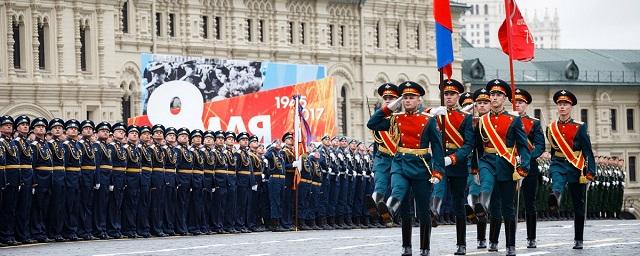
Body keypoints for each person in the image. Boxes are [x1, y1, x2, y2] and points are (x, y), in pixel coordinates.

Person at [367, 81, 445, 256]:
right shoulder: (396, 118)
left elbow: (438, 149)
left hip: (421, 166)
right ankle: (391, 216)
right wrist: (389, 107)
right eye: (405, 98)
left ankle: (425, 247)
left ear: (419, 100)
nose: (408, 101)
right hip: (400, 163)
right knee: (398, 192)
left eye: (411, 97)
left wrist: (438, 171)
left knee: (423, 210)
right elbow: (372, 123)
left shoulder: (429, 121)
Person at [473, 79, 530, 256]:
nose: (495, 97)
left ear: (505, 98)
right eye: (492, 94)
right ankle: (481, 206)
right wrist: (475, 168)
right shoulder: (482, 120)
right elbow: (476, 147)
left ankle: (510, 244)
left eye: (498, 94)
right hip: (487, 161)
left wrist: (523, 167)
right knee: (487, 187)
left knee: (506, 208)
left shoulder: (513, 120)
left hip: (507, 165)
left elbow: (523, 146)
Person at [546, 89, 596, 249]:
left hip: (576, 165)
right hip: (558, 162)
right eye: (560, 104)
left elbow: (587, 151)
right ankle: (556, 197)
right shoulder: (551, 127)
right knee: (557, 182)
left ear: (571, 107)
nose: (562, 107)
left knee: (578, 204)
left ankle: (578, 239)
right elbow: (553, 149)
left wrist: (590, 171)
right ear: (557, 107)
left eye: (565, 104)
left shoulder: (579, 127)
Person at [436, 79, 475, 255]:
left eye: (452, 94)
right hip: (437, 163)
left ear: (458, 96)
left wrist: (452, 158)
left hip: (456, 165)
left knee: (458, 205)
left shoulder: (465, 118)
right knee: (433, 200)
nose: (449, 97)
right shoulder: (434, 115)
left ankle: (461, 243)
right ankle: (425, 245)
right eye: (446, 94)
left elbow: (468, 145)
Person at [514, 88, 545, 248]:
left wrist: (527, 157)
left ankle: (531, 237)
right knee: (509, 203)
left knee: (529, 202)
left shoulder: (534, 123)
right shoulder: (508, 120)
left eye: (520, 102)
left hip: (529, 166)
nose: (517, 105)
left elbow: (540, 146)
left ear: (526, 104)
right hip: (510, 164)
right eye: (515, 102)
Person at [468, 88, 491, 249]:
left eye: (485, 103)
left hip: (500, 164)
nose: (482, 106)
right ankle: (481, 238)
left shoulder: (500, 120)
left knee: (495, 205)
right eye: (479, 103)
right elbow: (475, 147)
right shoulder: (473, 123)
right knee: (479, 203)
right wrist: (475, 169)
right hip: (481, 165)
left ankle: (496, 239)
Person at [30, 117, 54, 243]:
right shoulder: (34, 145)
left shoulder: (46, 145)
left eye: (43, 127)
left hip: (48, 178)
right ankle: (36, 231)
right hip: (39, 178)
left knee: (45, 207)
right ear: (33, 130)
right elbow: (32, 165)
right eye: (38, 127)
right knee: (37, 207)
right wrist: (34, 181)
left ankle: (42, 230)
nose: (41, 128)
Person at [0, 115, 21, 246]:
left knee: (11, 208)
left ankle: (9, 234)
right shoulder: (1, 141)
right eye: (6, 124)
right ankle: (4, 235)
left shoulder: (12, 142)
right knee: (5, 209)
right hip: (5, 177)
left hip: (13, 178)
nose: (9, 126)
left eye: (10, 125)